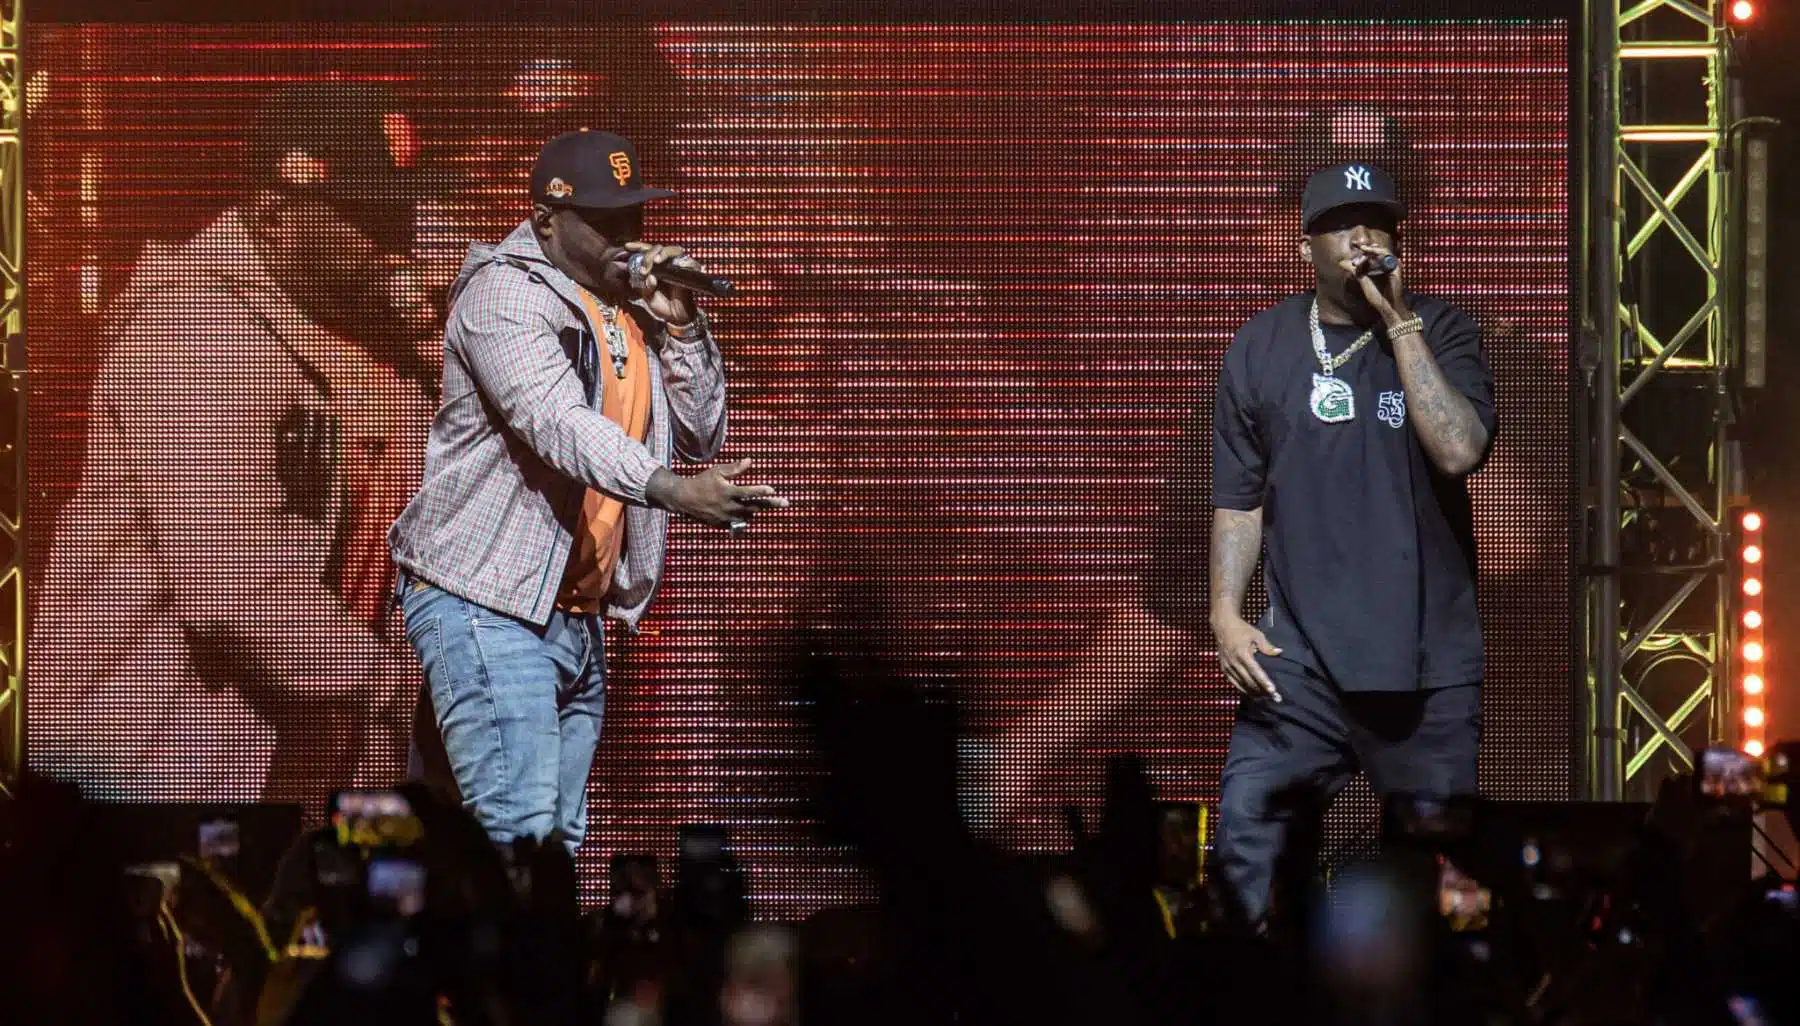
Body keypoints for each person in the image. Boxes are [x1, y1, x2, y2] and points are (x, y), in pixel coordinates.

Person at [30, 82, 436, 802]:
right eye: (365, 214)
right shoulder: (192, 330)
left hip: (310, 767)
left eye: (402, 208)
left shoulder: (355, 324)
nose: (396, 236)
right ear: (275, 214)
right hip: (157, 764)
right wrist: (395, 683)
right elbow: (234, 587)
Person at [387, 129, 787, 853]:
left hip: (575, 614)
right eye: (603, 220)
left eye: (632, 215)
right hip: (488, 602)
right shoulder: (504, 293)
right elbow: (556, 422)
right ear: (546, 219)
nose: (624, 235)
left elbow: (700, 438)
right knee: (519, 832)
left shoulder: (631, 307)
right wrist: (669, 489)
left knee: (553, 844)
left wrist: (684, 329)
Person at [1203, 161, 1494, 928]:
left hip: (1425, 671)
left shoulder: (1444, 330)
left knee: (1443, 893)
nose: (1363, 240)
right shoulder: (1260, 346)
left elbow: (1459, 450)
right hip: (1300, 669)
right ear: (1306, 247)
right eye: (1342, 226)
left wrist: (1399, 323)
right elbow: (1239, 501)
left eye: (1378, 225)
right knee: (1246, 849)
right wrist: (1226, 615)